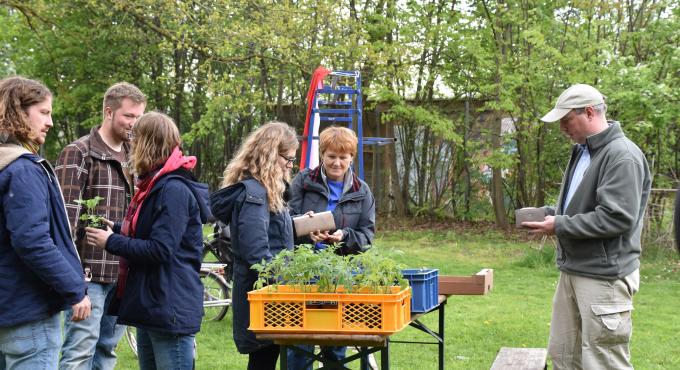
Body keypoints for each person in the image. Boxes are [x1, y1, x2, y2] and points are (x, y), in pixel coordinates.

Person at [523, 84, 651, 370]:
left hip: (603, 277)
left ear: (590, 112)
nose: (562, 129)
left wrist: (559, 225)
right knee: (565, 356)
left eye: (566, 120)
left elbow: (617, 217)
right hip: (574, 269)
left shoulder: (622, 155)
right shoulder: (582, 151)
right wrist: (549, 215)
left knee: (603, 361)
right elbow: (582, 208)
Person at [85, 112, 210, 370]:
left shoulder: (172, 189)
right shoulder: (156, 184)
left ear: (148, 143)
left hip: (169, 308)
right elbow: (152, 231)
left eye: (135, 138)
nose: (131, 145)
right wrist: (119, 229)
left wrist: (111, 242)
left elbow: (160, 249)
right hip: (153, 307)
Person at [0, 76, 91, 368]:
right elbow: (32, 240)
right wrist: (74, 289)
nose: (50, 122)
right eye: (44, 112)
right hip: (29, 311)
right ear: (19, 111)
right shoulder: (22, 170)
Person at [56, 82, 146, 370]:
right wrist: (71, 278)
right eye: (128, 116)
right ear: (109, 112)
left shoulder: (136, 155)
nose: (134, 124)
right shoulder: (79, 152)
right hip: (88, 273)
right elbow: (63, 221)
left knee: (107, 352)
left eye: (138, 117)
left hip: (123, 271)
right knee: (79, 353)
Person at [210, 121, 298, 370]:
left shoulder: (265, 192)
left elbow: (273, 235)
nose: (290, 165)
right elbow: (255, 252)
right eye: (288, 159)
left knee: (265, 359)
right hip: (262, 295)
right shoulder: (255, 195)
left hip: (269, 293)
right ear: (270, 155)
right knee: (262, 361)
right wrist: (287, 279)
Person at [287, 126, 375, 370]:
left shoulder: (361, 191)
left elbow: (367, 236)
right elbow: (284, 224)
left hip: (341, 276)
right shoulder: (303, 182)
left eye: (343, 157)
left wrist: (344, 236)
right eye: (331, 156)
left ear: (351, 158)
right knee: (300, 346)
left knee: (335, 347)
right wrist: (306, 228)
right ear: (322, 155)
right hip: (304, 275)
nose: (337, 163)